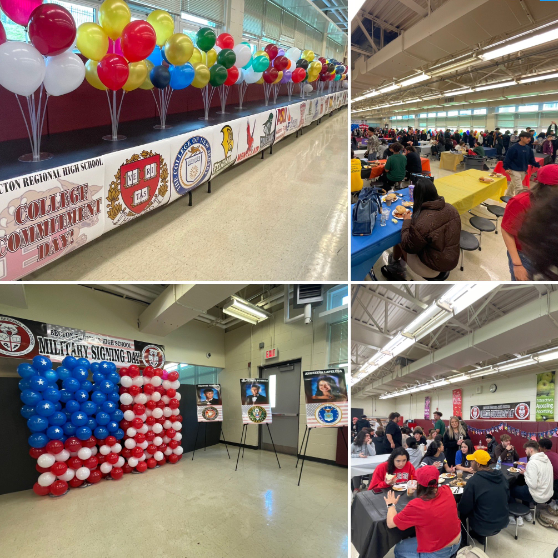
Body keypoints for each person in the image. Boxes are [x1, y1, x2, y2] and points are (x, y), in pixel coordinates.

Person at [381, 178, 461, 280]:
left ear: (416, 196)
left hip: (431, 268)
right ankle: (397, 263)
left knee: (400, 240)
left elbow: (408, 246)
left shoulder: (423, 221)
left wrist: (407, 221)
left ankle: (396, 266)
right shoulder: (451, 208)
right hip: (450, 261)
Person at [385, 465, 461, 558]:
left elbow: (390, 523)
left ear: (419, 483)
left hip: (438, 551)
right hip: (457, 541)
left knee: (399, 549)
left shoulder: (417, 505)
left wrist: (391, 505)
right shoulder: (447, 490)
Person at [501, 164, 558, 281]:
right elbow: (506, 230)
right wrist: (517, 265)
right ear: (549, 187)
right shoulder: (521, 201)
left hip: (545, 255)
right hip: (524, 255)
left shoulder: (553, 205)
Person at [457, 450, 510, 544]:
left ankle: (464, 542)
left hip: (484, 525)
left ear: (478, 464)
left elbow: (464, 508)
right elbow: (507, 495)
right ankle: (479, 535)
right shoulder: (501, 475)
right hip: (503, 520)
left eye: (472, 461)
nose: (470, 463)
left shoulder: (474, 481)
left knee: (461, 513)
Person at [509, 441, 553, 523]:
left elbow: (532, 485)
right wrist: (527, 471)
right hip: (547, 493)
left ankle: (517, 516)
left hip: (538, 495)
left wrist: (525, 473)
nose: (525, 451)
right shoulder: (546, 460)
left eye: (526, 449)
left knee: (509, 489)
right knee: (523, 485)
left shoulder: (532, 463)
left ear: (531, 450)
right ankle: (527, 513)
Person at [503, 131, 541, 197]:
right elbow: (507, 159)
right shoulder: (513, 148)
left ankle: (508, 196)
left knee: (513, 184)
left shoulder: (528, 149)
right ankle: (519, 203)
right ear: (521, 138)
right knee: (519, 188)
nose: (529, 139)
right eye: (527, 138)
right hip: (514, 170)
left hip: (523, 171)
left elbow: (531, 160)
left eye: (530, 138)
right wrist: (506, 168)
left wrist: (539, 166)